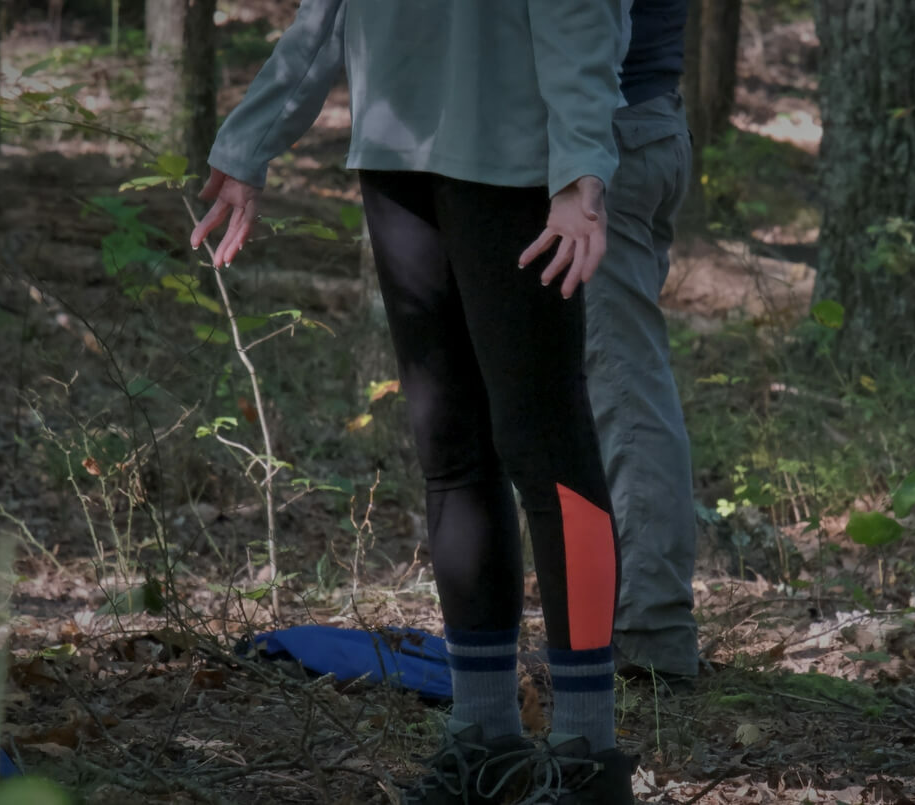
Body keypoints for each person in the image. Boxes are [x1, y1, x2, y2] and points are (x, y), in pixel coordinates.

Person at [187, 1, 636, 802]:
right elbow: (328, 13)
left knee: (547, 449)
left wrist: (579, 174)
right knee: (448, 446)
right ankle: (485, 736)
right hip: (396, 155)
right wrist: (251, 140)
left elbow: (582, 17)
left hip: (518, 163)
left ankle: (586, 756)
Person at [589, 0, 701, 691]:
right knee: (614, 388)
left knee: (627, 392)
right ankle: (616, 616)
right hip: (642, 123)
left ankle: (653, 630)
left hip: (613, 135)